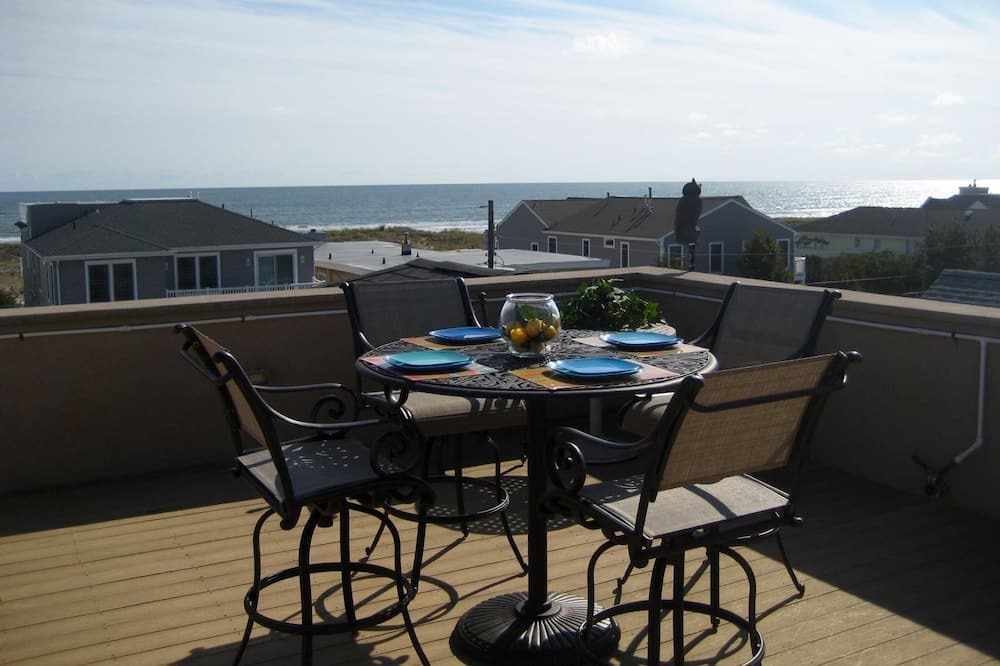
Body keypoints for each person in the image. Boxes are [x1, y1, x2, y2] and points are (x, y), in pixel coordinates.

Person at [674, 178, 702, 270]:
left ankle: (691, 263)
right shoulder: (698, 201)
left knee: (691, 244)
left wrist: (677, 230)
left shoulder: (683, 201)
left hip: (686, 229)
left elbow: (678, 218)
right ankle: (691, 263)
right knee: (692, 244)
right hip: (688, 229)